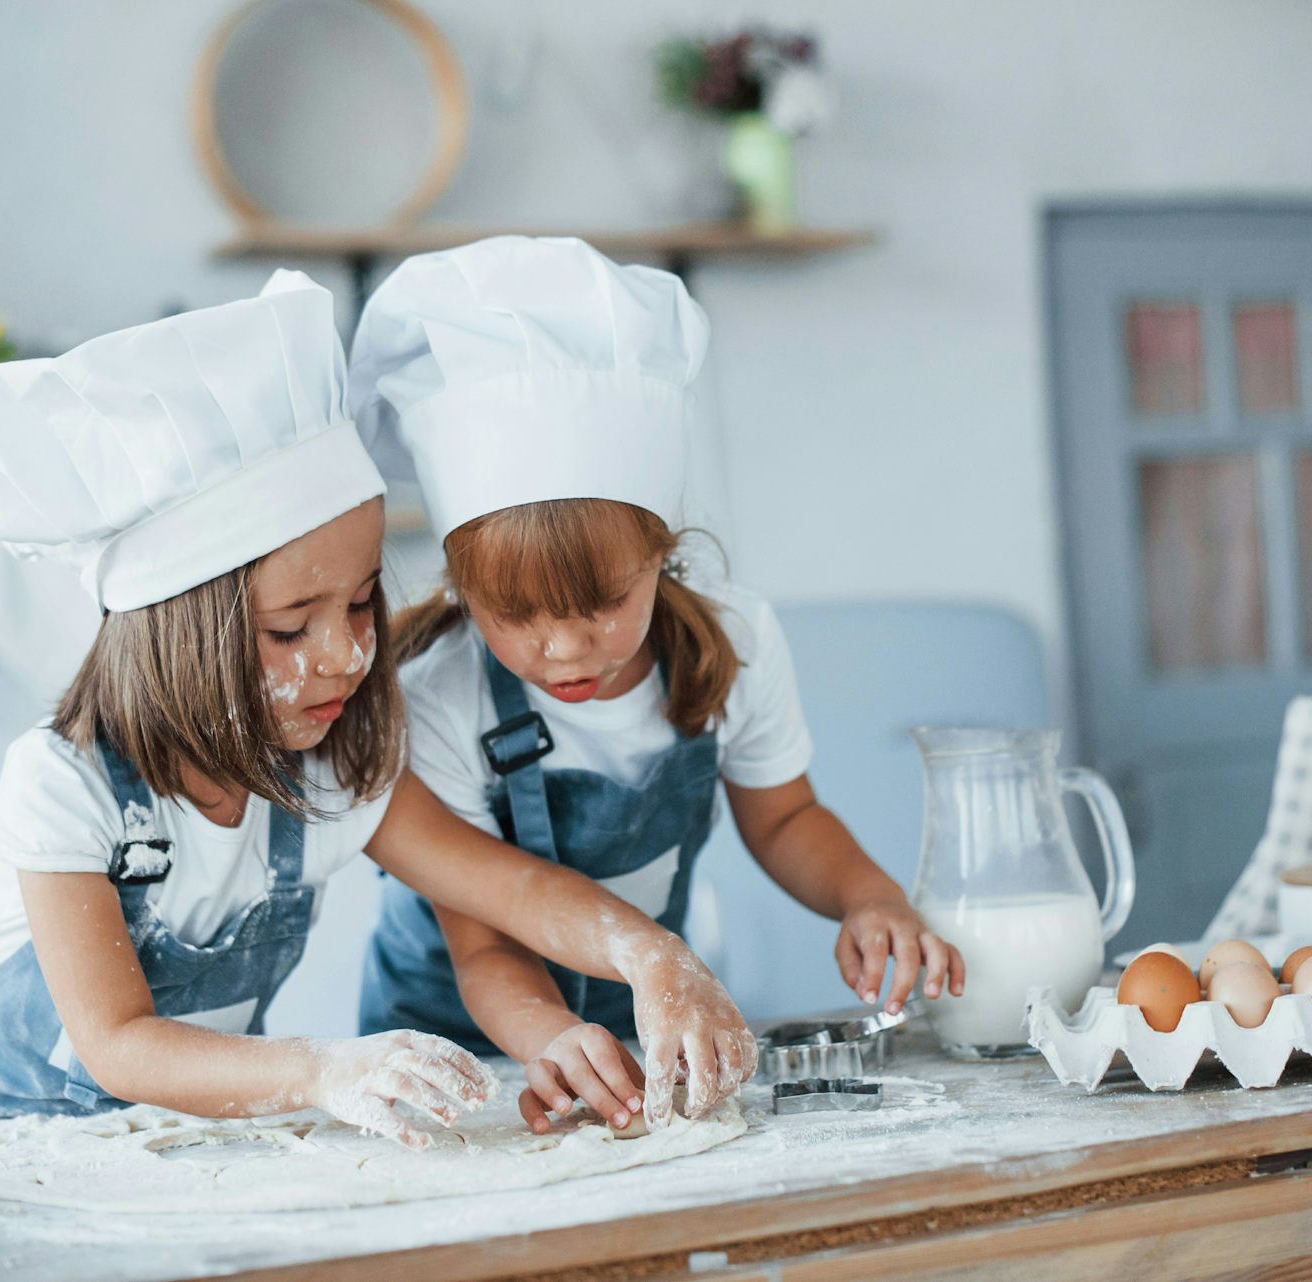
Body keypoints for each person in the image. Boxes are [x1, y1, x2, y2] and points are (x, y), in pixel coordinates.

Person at [0, 270, 752, 1145]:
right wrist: (325, 1069)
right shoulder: (63, 786)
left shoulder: (331, 775)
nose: (346, 655)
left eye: (360, 604)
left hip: (176, 1155)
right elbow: (119, 1042)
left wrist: (648, 955)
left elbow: (516, 889)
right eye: (288, 628)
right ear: (177, 631)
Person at [350, 237, 962, 1135]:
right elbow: (483, 945)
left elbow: (785, 818)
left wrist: (868, 897)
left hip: (628, 1032)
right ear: (461, 588)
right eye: (515, 614)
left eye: (604, 602)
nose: (566, 649)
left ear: (661, 553)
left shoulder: (731, 644)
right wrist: (553, 1038)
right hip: (458, 1059)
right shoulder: (442, 698)